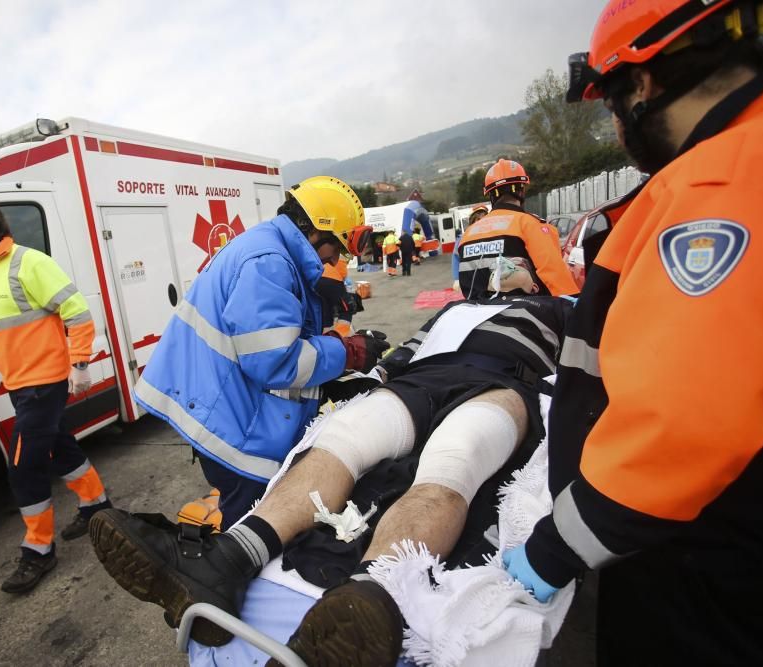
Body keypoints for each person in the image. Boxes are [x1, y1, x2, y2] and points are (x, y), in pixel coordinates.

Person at [89, 257, 573, 662]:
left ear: (535, 279)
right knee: (342, 439)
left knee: (454, 458)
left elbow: (594, 358)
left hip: (508, 383)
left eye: (517, 268)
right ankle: (225, 563)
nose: (506, 270)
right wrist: (371, 376)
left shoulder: (557, 307)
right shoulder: (451, 310)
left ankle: (367, 599)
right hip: (420, 380)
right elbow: (404, 356)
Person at [502, 1, 763, 664]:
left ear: (641, 85)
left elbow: (690, 415)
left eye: (610, 102)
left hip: (702, 560)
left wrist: (559, 545)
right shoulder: (746, 159)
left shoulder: (722, 183)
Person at [133, 176, 389, 529]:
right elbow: (275, 361)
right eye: (337, 247)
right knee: (258, 525)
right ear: (316, 232)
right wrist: (346, 353)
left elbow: (266, 341)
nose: (336, 259)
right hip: (226, 419)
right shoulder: (270, 262)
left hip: (218, 401)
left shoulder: (268, 247)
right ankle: (226, 577)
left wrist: (330, 350)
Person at [0, 192, 111, 594]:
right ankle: (97, 505)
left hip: (45, 382)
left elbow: (77, 313)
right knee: (60, 447)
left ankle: (38, 550)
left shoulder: (28, 262)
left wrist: (80, 364)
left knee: (23, 465)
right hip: (18, 385)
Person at [457, 161, 577, 299]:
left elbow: (466, 283)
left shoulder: (469, 234)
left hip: (477, 315)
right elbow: (556, 279)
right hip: (525, 315)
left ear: (490, 195)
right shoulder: (530, 225)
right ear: (522, 190)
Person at [452, 204, 488, 291]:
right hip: (471, 278)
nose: (481, 222)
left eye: (484, 219)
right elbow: (456, 257)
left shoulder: (493, 234)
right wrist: (457, 279)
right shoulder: (463, 238)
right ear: (472, 221)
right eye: (478, 219)